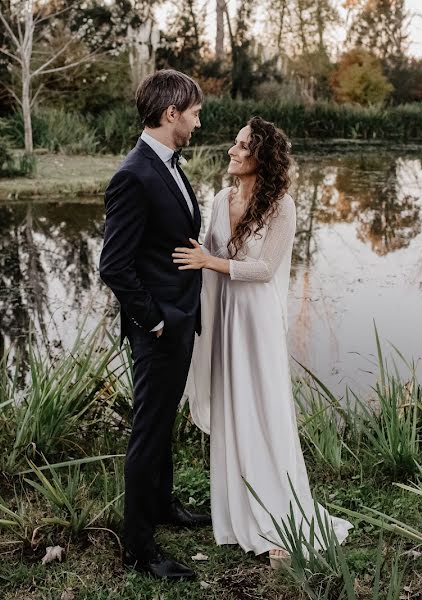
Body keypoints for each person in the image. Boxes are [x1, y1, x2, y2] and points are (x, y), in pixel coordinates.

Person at [174, 116, 352, 568]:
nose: (232, 151)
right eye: (234, 144)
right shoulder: (219, 199)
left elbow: (264, 270)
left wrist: (208, 261)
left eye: (242, 147)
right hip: (224, 318)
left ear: (262, 160)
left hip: (255, 321)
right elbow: (204, 250)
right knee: (233, 406)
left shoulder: (282, 205)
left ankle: (278, 513)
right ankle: (237, 513)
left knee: (262, 407)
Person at [98, 69, 211, 581]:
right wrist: (157, 322)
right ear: (171, 114)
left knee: (163, 423)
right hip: (161, 328)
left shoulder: (166, 163)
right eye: (193, 112)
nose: (197, 120)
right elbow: (114, 265)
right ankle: (139, 549)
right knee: (148, 431)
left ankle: (163, 506)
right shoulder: (135, 174)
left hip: (181, 320)